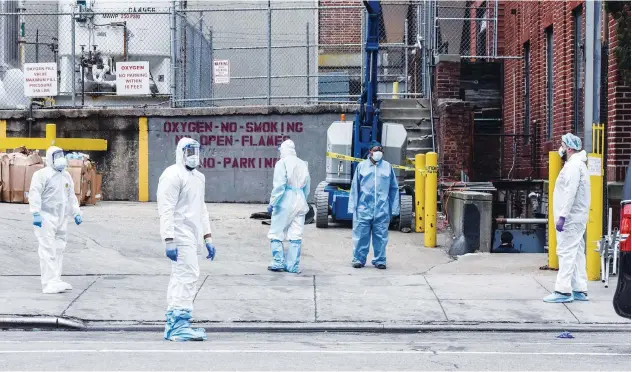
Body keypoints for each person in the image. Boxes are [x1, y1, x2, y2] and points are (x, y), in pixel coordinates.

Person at [157, 137, 216, 341]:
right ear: (181, 153)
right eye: (189, 151)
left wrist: (207, 237)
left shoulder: (198, 177)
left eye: (197, 151)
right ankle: (179, 325)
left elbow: (202, 208)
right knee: (186, 277)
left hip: (193, 235)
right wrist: (168, 238)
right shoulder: (172, 175)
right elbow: (166, 209)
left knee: (183, 277)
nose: (194, 156)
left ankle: (176, 323)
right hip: (179, 235)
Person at [544, 133, 591, 303]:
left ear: (569, 148)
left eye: (562, 145)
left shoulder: (573, 167)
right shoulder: (578, 165)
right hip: (576, 217)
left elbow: (570, 193)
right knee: (577, 252)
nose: (560, 148)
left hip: (570, 219)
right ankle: (579, 288)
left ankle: (563, 290)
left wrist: (562, 216)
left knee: (566, 252)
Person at [29, 146, 82, 294]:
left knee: (59, 248)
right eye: (56, 155)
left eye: (61, 155)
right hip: (45, 217)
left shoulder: (66, 176)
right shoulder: (42, 175)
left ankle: (56, 279)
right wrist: (35, 213)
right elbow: (34, 194)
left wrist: (76, 212)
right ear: (50, 158)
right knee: (47, 249)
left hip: (61, 218)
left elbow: (71, 196)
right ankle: (48, 283)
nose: (60, 158)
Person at [348, 141, 400, 269]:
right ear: (370, 151)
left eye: (380, 150)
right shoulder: (361, 166)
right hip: (364, 208)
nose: (378, 152)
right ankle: (358, 259)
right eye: (376, 150)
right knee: (361, 235)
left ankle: (380, 260)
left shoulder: (387, 167)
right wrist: (352, 206)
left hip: (382, 209)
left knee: (381, 236)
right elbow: (355, 187)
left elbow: (394, 188)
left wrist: (394, 208)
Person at [266, 139, 311, 273]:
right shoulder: (302, 163)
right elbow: (307, 187)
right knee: (296, 234)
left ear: (283, 150)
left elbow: (280, 185)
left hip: (285, 200)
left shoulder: (282, 163)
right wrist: (303, 199)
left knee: (276, 231)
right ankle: (293, 266)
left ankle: (278, 262)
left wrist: (273, 202)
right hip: (300, 199)